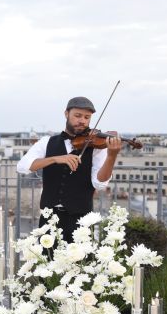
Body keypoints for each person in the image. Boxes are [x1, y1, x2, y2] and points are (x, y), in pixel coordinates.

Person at [16, 96, 122, 242]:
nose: (82, 121)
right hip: (49, 218)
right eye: (77, 115)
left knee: (80, 263)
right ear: (66, 114)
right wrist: (54, 159)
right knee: (46, 263)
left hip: (81, 220)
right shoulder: (47, 142)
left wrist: (111, 156)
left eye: (87, 117)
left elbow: (100, 183)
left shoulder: (97, 147)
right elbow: (22, 167)